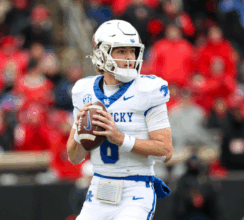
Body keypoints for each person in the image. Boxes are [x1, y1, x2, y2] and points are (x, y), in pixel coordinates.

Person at [67, 20, 173, 220]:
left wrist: (120, 138)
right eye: (121, 51)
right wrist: (82, 134)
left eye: (132, 51)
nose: (129, 58)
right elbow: (74, 157)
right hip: (98, 189)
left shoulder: (148, 89)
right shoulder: (84, 91)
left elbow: (165, 151)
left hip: (136, 189)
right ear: (101, 53)